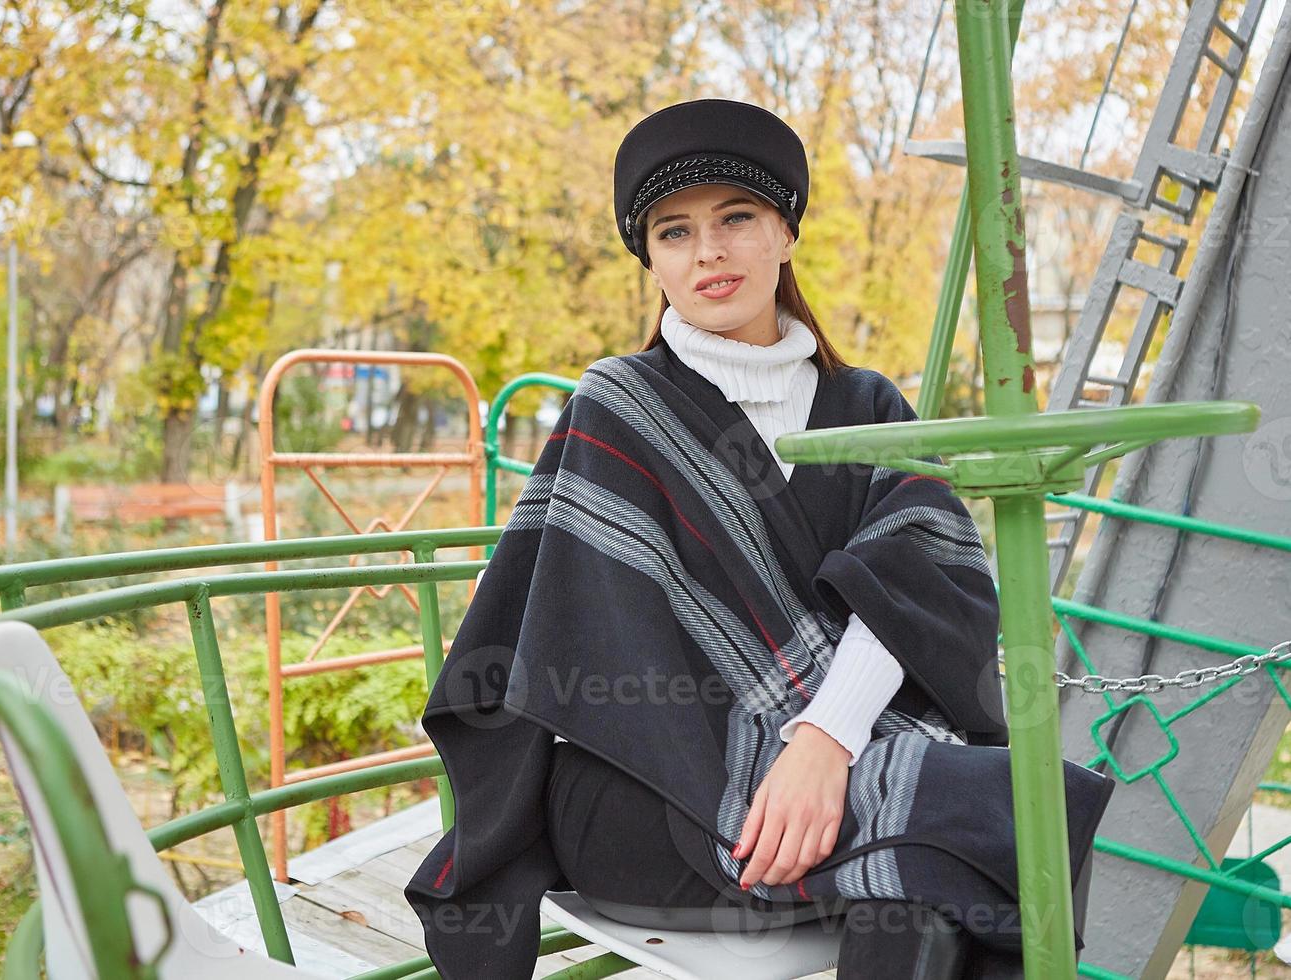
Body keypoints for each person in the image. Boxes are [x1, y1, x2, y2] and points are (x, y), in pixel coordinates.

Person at [405, 98, 1112, 980]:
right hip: (648, 793)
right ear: (651, 260)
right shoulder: (616, 411)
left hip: (840, 775)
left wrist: (825, 740)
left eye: (736, 217)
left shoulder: (869, 412)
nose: (708, 252)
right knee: (985, 821)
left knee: (978, 828)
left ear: (784, 233)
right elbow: (531, 643)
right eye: (674, 231)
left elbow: (927, 587)